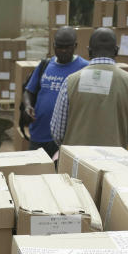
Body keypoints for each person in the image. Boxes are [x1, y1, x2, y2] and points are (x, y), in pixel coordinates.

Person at [50, 27, 128, 148]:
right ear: (116, 51)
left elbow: (58, 133)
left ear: (89, 51)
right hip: (114, 161)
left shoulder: (70, 81)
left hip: (77, 161)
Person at [23, 26, 88, 157]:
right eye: (59, 47)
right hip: (39, 134)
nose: (63, 51)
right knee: (34, 173)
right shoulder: (45, 65)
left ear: (75, 46)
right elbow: (28, 91)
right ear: (53, 45)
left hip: (67, 140)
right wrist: (28, 105)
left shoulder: (85, 68)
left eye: (67, 47)